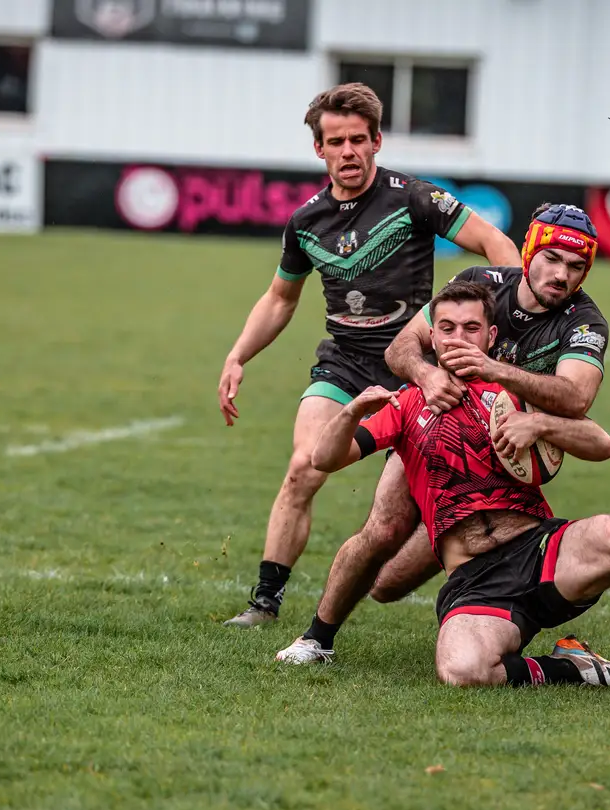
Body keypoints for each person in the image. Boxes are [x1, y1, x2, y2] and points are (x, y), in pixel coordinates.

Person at [312, 279, 610, 688]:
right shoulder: (407, 404)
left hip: (541, 551)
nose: (458, 339)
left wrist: (541, 425)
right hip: (474, 579)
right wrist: (351, 412)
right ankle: (575, 668)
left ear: (491, 337)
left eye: (471, 329)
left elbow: (602, 443)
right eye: (446, 328)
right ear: (431, 336)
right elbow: (326, 458)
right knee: (462, 670)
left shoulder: (518, 393)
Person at [217, 82, 519, 627]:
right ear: (319, 149)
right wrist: (238, 355)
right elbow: (281, 298)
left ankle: (486, 599)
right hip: (344, 362)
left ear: (377, 141)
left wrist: (504, 326)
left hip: (416, 368)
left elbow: (496, 245)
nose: (349, 151)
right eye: (336, 142)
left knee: (408, 518)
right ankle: (265, 602)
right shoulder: (306, 221)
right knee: (304, 466)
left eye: (358, 139)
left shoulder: (413, 198)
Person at [275, 203, 610, 664]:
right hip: (433, 423)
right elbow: (401, 348)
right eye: (551, 258)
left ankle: (490, 599)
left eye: (576, 266)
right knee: (384, 545)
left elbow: (577, 399)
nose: (561, 274)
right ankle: (317, 639)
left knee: (402, 578)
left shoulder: (583, 320)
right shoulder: (481, 285)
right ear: (529, 251)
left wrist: (494, 371)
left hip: (500, 448)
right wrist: (427, 375)